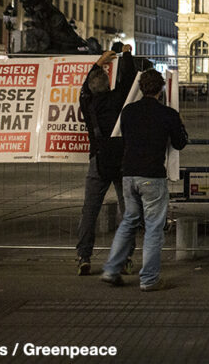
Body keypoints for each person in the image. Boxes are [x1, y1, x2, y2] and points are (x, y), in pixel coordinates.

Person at [100, 69, 188, 291]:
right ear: (161, 89)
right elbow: (180, 143)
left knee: (129, 221)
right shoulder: (167, 114)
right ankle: (149, 279)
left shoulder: (128, 112)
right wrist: (179, 123)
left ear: (140, 88)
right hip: (152, 176)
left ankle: (111, 270)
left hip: (129, 174)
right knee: (153, 228)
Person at [76, 45, 137, 276]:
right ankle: (126, 257)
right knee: (127, 211)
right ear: (108, 85)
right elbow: (129, 80)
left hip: (98, 162)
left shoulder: (88, 103)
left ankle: (84, 256)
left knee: (90, 210)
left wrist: (99, 62)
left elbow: (84, 88)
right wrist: (127, 55)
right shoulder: (118, 99)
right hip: (122, 161)